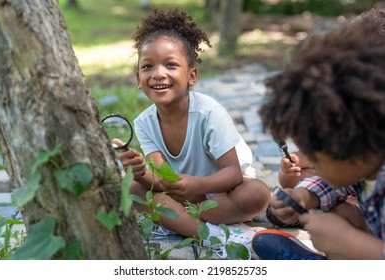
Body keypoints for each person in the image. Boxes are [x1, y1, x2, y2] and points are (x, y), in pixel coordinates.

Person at [113, 8, 270, 254]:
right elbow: (160, 181)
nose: (158, 74)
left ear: (192, 76)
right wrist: (139, 170)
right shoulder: (144, 122)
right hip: (182, 194)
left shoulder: (209, 113)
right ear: (138, 78)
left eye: (171, 65)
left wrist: (197, 186)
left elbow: (232, 174)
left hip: (221, 189)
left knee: (258, 193)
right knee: (133, 188)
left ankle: (183, 222)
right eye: (147, 67)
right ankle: (212, 235)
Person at [253, 8, 385, 259]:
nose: (309, 162)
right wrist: (304, 196)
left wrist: (356, 246)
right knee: (341, 216)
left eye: (317, 156)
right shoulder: (364, 155)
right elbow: (340, 180)